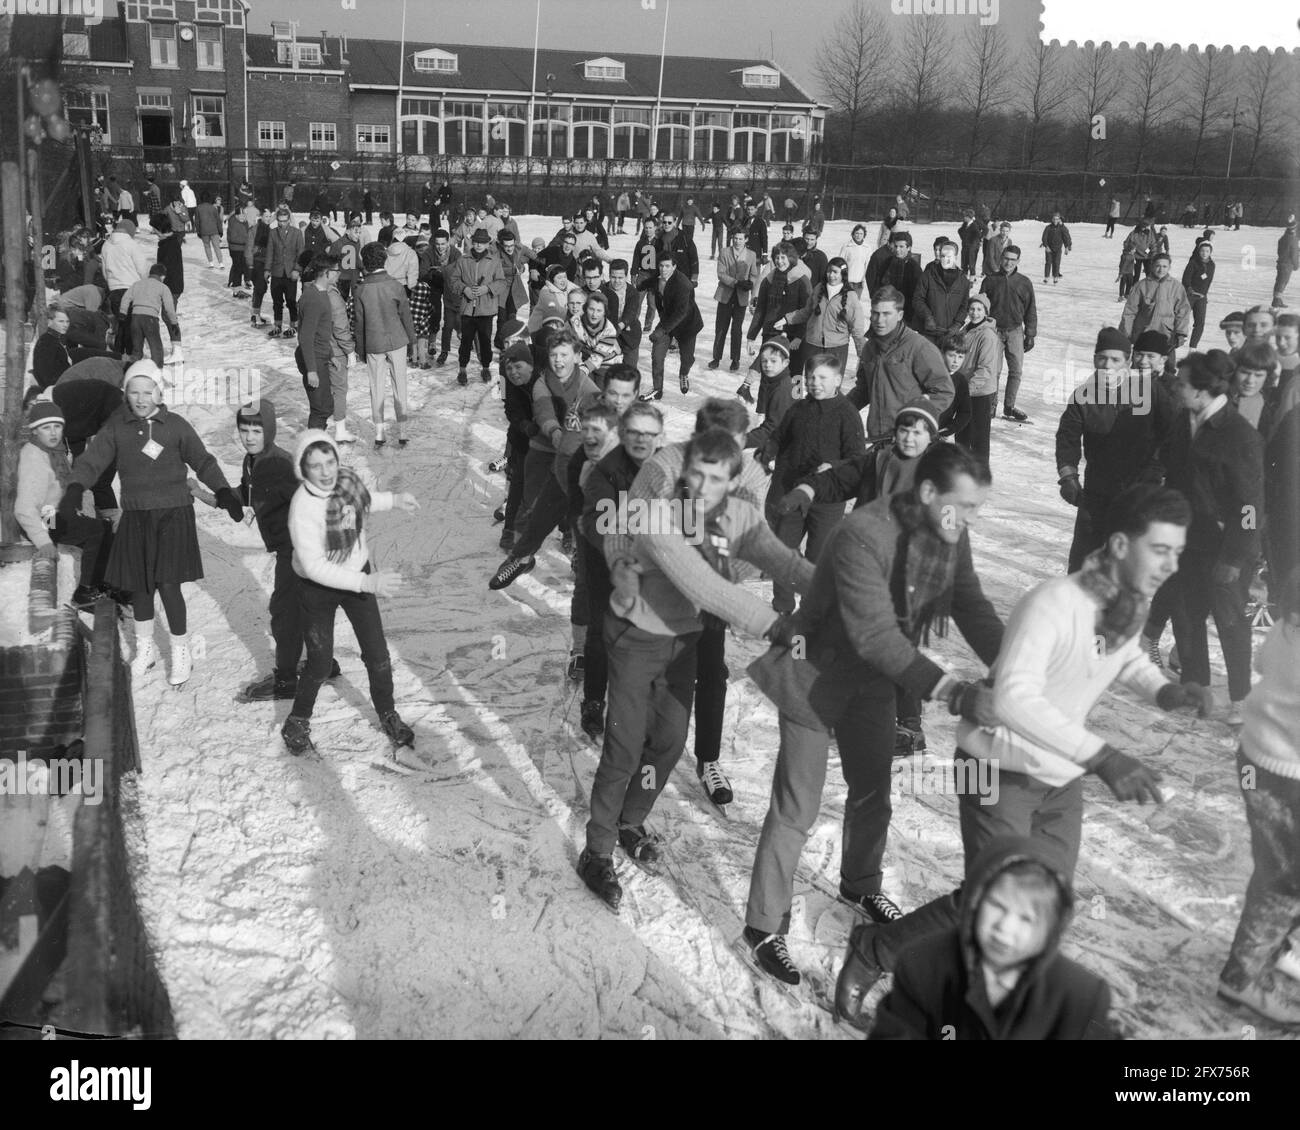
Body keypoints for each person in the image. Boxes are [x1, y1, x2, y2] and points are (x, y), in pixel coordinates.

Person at [834, 483, 1209, 1024]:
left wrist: (1165, 691)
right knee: (994, 899)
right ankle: (876, 951)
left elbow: (1124, 658)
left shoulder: (1126, 604)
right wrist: (1103, 757)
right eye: (1161, 550)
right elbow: (1013, 699)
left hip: (1059, 775)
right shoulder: (1053, 604)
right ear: (1121, 546)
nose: (1171, 565)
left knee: (1042, 901)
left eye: (1178, 552)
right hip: (996, 766)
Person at [742, 443, 1005, 985]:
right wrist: (956, 693)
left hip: (873, 684)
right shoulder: (862, 533)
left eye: (976, 508)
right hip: (814, 677)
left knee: (872, 792)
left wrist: (1013, 666)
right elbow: (877, 636)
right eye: (965, 506)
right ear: (928, 492)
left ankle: (860, 882)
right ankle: (763, 924)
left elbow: (970, 603)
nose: (971, 519)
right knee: (797, 807)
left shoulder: (949, 533)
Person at [577, 430, 815, 910]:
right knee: (625, 748)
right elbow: (707, 587)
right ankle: (597, 849)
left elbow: (776, 558)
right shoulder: (658, 518)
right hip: (635, 639)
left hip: (682, 642)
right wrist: (779, 627)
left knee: (667, 743)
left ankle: (630, 818)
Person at [59, 363, 243, 686]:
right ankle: (145, 649)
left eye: (148, 392)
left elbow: (203, 461)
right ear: (125, 394)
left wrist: (223, 490)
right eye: (134, 392)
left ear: (159, 392)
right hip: (136, 516)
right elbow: (92, 461)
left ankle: (181, 650)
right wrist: (75, 487)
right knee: (140, 586)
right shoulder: (117, 427)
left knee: (168, 586)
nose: (141, 399)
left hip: (173, 515)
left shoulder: (176, 426)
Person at [869, 838, 1116, 1040]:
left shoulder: (1081, 997)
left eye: (1026, 919)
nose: (1005, 928)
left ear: (1051, 929)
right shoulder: (923, 967)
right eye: (997, 906)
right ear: (975, 903)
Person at [280, 431, 421, 755]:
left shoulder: (345, 482)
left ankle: (387, 712)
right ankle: (297, 720)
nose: (326, 472)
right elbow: (315, 567)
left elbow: (363, 500)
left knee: (377, 654)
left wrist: (394, 500)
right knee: (319, 663)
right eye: (316, 466)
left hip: (357, 575)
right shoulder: (303, 507)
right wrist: (367, 583)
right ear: (303, 469)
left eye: (330, 462)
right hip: (318, 589)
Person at [1162, 351, 1265, 726]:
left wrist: (1236, 557)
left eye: (1182, 384)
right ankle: (1195, 686)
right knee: (1186, 614)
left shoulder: (1239, 434)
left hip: (1225, 548)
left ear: (1202, 390)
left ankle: (1241, 697)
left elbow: (1250, 505)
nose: (1176, 388)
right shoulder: (1184, 421)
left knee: (1230, 622)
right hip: (1188, 540)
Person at [1217, 569, 1300, 1024]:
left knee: (1279, 867)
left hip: (1256, 761)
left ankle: (1275, 946)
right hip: (1283, 778)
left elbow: (1264, 664)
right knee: (1284, 879)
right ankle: (1242, 978)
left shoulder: (1284, 628)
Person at [232, 399, 339, 701]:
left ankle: (286, 680)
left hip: (299, 549)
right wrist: (206, 494)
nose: (249, 437)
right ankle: (322, 664)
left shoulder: (278, 464)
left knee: (285, 613)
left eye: (256, 431)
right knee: (305, 609)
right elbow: (247, 494)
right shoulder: (252, 461)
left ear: (269, 430)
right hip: (292, 548)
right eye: (244, 430)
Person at [1056, 327, 1174, 572]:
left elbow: (1171, 433)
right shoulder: (1083, 396)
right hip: (1097, 489)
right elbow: (1067, 438)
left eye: (1115, 359)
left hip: (1139, 490)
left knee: (1128, 562)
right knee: (1083, 561)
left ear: (1127, 362)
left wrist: (1156, 469)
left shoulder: (1149, 391)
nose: (1107, 365)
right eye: (1102, 358)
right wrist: (1068, 476)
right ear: (1094, 359)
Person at [760, 353, 866, 613]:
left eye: (822, 378)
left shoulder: (847, 414)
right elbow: (779, 436)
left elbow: (857, 458)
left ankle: (810, 612)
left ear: (838, 380)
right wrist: (768, 450)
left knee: (817, 558)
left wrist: (835, 466)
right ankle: (782, 607)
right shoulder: (798, 409)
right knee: (783, 552)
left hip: (827, 499)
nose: (815, 383)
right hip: (793, 491)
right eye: (810, 377)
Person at [16, 401, 114, 609]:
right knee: (96, 530)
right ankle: (85, 592)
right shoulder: (33, 459)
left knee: (104, 527)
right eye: (46, 427)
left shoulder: (53, 451)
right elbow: (24, 509)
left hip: (51, 511)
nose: (53, 433)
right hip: (43, 519)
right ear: (35, 431)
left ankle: (101, 583)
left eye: (57, 426)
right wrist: (43, 541)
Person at [848, 286, 953, 439]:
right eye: (875, 313)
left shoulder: (919, 347)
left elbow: (944, 391)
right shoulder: (869, 348)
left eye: (886, 314)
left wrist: (915, 420)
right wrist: (838, 409)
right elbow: (863, 391)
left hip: (910, 438)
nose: (879, 320)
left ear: (899, 315)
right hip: (878, 436)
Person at [298, 252, 358, 441]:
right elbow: (306, 337)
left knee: (325, 405)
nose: (339, 274)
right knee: (321, 408)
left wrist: (331, 355)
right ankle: (313, 444)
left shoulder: (322, 294)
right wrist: (312, 370)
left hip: (322, 355)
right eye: (336, 271)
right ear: (326, 273)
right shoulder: (315, 298)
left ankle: (317, 441)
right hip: (314, 359)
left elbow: (322, 333)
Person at [979, 246, 1036, 422]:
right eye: (1006, 258)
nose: (1008, 262)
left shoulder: (1024, 282)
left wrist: (1030, 333)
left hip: (1015, 331)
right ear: (1001, 258)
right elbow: (980, 307)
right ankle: (991, 405)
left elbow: (1030, 309)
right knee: (993, 371)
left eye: (1013, 259)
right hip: (994, 332)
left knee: (1016, 371)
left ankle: (1009, 406)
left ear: (1018, 261)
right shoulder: (990, 280)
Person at [784, 257, 866, 377]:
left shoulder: (851, 296)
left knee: (832, 384)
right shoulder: (819, 288)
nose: (831, 275)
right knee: (812, 383)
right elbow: (806, 312)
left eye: (835, 272)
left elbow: (857, 328)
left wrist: (862, 353)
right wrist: (787, 319)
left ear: (843, 274)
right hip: (812, 345)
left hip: (837, 348)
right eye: (829, 271)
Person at [448, 227, 507, 385]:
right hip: (467, 309)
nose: (479, 245)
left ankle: (485, 367)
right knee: (465, 341)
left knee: (485, 341)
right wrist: (465, 289)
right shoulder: (463, 260)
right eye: (476, 242)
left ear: (488, 244)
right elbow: (453, 280)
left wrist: (487, 288)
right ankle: (462, 369)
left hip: (486, 309)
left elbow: (501, 282)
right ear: (472, 243)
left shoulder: (494, 261)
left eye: (482, 242)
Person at [1120, 251, 1191, 373]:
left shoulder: (1176, 287)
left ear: (1169, 267)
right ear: (1152, 265)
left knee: (1168, 370)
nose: (1161, 269)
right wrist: (1126, 334)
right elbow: (1130, 311)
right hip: (1143, 334)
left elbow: (1183, 311)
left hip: (1166, 335)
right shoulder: (1141, 285)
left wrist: (1181, 333)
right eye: (1158, 265)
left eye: (1164, 266)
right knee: (1139, 370)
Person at [952, 295, 1002, 462]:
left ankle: (980, 473)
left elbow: (985, 369)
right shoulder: (965, 330)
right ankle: (961, 470)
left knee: (978, 439)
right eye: (972, 309)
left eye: (979, 309)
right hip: (965, 390)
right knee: (962, 434)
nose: (975, 313)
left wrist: (966, 391)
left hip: (980, 393)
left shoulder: (987, 335)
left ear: (986, 312)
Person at [647, 253, 702, 399]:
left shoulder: (683, 284)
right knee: (657, 355)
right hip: (667, 321)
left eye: (667, 266)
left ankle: (684, 374)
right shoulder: (657, 278)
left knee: (687, 358)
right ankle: (657, 389)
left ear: (674, 267)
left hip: (687, 324)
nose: (663, 269)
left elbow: (681, 313)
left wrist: (662, 330)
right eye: (661, 266)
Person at [122, 263, 180, 366]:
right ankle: (157, 370)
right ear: (162, 276)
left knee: (137, 350)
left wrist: (123, 312)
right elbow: (169, 308)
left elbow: (126, 298)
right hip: (150, 319)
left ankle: (131, 369)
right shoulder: (163, 287)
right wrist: (174, 322)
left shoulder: (137, 284)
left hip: (135, 318)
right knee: (156, 348)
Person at [912, 239, 969, 344]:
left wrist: (957, 324)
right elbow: (917, 299)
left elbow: (964, 306)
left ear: (956, 257)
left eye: (949, 256)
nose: (945, 259)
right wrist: (927, 316)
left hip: (949, 335)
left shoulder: (963, 281)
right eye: (943, 256)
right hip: (928, 332)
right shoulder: (928, 276)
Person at [263, 204, 304, 339]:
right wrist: (267, 269)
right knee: (277, 301)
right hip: (277, 271)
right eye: (280, 221)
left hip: (291, 272)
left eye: (285, 221)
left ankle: (294, 325)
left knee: (291, 300)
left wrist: (297, 270)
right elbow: (270, 252)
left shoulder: (297, 233)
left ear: (289, 220)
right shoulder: (273, 233)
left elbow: (300, 254)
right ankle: (278, 325)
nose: (282, 224)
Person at [867, 231, 923, 324]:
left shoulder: (914, 268)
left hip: (905, 315)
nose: (897, 250)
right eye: (896, 246)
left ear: (909, 248)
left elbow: (917, 295)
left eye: (901, 247)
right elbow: (877, 284)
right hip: (886, 310)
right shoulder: (887, 263)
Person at [1039, 212, 1072, 284]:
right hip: (1049, 248)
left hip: (1058, 249)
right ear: (1052, 219)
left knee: (1056, 263)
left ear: (1059, 219)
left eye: (1057, 219)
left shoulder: (1062, 228)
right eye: (1054, 219)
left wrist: (1067, 247)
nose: (1055, 220)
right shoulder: (1048, 227)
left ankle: (1055, 277)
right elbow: (1044, 238)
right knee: (1048, 263)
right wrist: (1046, 246)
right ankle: (1046, 277)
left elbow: (1066, 237)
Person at [1274, 215, 1298, 308]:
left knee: (1279, 281)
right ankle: (1276, 302)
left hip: (1280, 262)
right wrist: (1296, 265)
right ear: (1294, 229)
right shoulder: (1293, 240)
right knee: (1282, 282)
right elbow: (1294, 254)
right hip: (1287, 264)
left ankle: (1277, 300)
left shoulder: (1283, 238)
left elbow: (1280, 251)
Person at [840, 224, 872, 295]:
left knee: (856, 301)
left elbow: (868, 265)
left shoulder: (867, 248)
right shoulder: (846, 246)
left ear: (864, 235)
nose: (858, 235)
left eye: (861, 234)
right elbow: (841, 263)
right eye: (857, 233)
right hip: (848, 281)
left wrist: (864, 280)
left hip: (859, 282)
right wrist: (843, 277)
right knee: (847, 300)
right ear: (853, 234)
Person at [195, 191, 223, 269]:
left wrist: (198, 231)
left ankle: (211, 263)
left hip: (204, 230)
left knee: (207, 246)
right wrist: (220, 231)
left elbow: (197, 221)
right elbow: (218, 220)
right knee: (217, 247)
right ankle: (221, 263)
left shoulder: (198, 208)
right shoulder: (213, 208)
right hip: (214, 230)